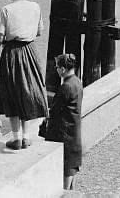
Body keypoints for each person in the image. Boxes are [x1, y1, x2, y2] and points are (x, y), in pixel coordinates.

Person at [0, 0, 48, 149]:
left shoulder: (6, 9)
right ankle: (26, 137)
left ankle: (16, 138)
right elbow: (39, 31)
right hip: (30, 51)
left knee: (12, 93)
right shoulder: (35, 6)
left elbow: (1, 35)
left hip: (12, 52)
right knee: (26, 92)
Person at [45, 54, 83, 191]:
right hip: (74, 131)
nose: (55, 70)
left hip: (65, 133)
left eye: (56, 67)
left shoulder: (66, 87)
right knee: (72, 167)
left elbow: (55, 110)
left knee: (66, 170)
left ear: (62, 69)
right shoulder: (77, 82)